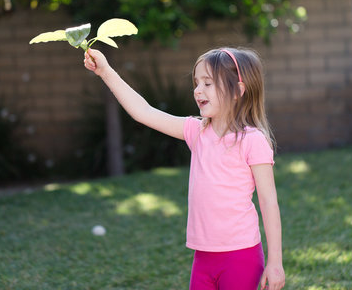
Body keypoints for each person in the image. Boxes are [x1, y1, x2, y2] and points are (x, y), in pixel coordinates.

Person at [84, 46, 286, 290]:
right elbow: (143, 112)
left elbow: (268, 202)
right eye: (196, 83)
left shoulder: (252, 140)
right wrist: (105, 71)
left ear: (238, 91)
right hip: (203, 257)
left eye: (208, 83)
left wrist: (275, 262)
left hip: (241, 255)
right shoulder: (196, 131)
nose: (198, 90)